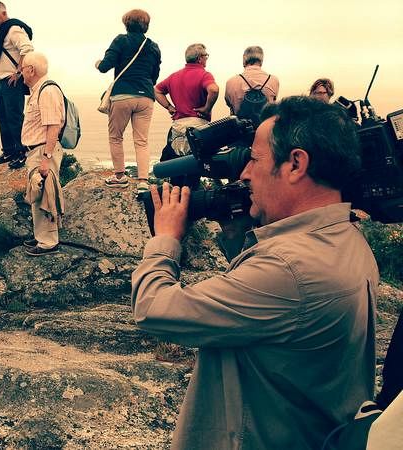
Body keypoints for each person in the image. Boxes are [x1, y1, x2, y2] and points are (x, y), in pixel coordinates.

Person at [131, 96, 377, 449]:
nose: (244, 173)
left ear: (295, 164)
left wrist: (166, 238)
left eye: (255, 160)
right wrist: (237, 237)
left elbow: (153, 308)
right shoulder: (348, 239)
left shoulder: (289, 268)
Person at [95, 8, 161, 192]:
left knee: (116, 137)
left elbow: (105, 67)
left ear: (126, 23)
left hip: (123, 94)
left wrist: (98, 63)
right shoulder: (153, 46)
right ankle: (142, 181)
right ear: (146, 25)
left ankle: (119, 177)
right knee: (142, 141)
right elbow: (155, 75)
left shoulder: (120, 40)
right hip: (146, 96)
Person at [19, 52, 65, 256]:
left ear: (31, 69)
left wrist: (46, 159)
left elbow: (53, 126)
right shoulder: (38, 90)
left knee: (45, 194)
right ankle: (42, 236)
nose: (21, 73)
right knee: (38, 195)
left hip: (42, 151)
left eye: (22, 69)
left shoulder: (47, 91)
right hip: (37, 151)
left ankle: (48, 242)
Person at [154, 43, 219, 187]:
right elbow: (213, 90)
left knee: (177, 168)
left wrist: (169, 107)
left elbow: (157, 90)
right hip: (198, 127)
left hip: (178, 127)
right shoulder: (204, 74)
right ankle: (190, 202)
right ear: (199, 58)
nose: (206, 59)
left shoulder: (174, 76)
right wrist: (207, 108)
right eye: (206, 56)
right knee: (193, 170)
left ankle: (175, 199)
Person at [0, 1, 33, 169]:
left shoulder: (13, 29)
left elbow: (27, 49)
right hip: (1, 81)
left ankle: (22, 153)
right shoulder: (2, 31)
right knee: (3, 119)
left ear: (4, 13)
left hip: (11, 81)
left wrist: (19, 72)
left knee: (14, 118)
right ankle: (9, 151)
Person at [224, 46, 280, 116]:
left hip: (240, 125)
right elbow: (273, 103)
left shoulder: (231, 82)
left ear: (244, 59)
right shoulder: (273, 80)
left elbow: (229, 103)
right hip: (264, 124)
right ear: (261, 61)